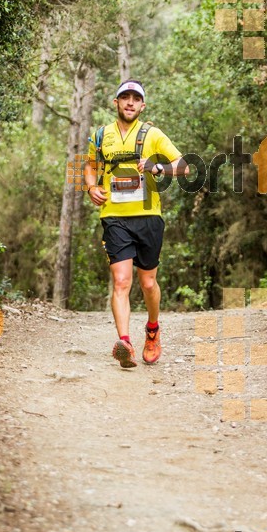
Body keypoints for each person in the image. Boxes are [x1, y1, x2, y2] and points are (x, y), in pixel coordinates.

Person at [84, 80, 189, 369]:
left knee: (148, 282)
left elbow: (184, 166)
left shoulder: (152, 134)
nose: (130, 103)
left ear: (142, 105)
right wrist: (91, 187)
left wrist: (158, 167)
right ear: (115, 102)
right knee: (121, 281)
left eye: (135, 99)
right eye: (125, 97)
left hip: (148, 217)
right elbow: (90, 165)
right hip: (114, 217)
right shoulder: (101, 135)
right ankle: (125, 344)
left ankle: (152, 330)